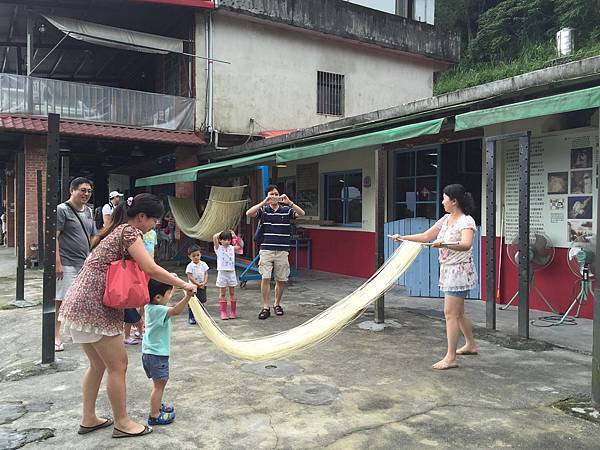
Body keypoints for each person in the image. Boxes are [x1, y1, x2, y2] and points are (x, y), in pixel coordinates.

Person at [58, 193, 196, 438]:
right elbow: (150, 268)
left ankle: (89, 418)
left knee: (98, 364)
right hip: (94, 307)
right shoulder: (129, 232)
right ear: (141, 217)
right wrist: (183, 284)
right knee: (118, 365)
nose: (155, 225)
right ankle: (122, 422)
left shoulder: (116, 230)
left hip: (79, 303)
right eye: (154, 220)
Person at [391, 184, 478, 370]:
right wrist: (403, 238)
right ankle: (470, 345)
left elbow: (466, 244)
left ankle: (451, 357)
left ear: (454, 201)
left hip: (460, 272)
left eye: (445, 198)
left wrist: (445, 244)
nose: (442, 201)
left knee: (450, 314)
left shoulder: (466, 221)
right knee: (459, 313)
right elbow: (426, 236)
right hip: (449, 270)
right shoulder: (446, 219)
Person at [246, 185, 305, 320]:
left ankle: (277, 304)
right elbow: (249, 213)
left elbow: (302, 214)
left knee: (280, 279)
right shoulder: (264, 210)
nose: (274, 196)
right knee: (265, 277)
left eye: (276, 194)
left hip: (282, 250)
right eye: (271, 194)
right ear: (267, 196)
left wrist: (289, 202)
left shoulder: (286, 210)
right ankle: (265, 307)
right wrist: (263, 202)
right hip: (266, 249)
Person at [142, 279, 193, 426]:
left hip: (150, 353)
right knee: (159, 385)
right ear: (158, 297)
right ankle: (154, 415)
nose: (171, 295)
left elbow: (167, 297)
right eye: (169, 293)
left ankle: (157, 405)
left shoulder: (149, 306)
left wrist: (174, 284)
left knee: (158, 384)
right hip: (157, 355)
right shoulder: (159, 310)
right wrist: (187, 296)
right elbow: (176, 311)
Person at [55, 177, 97, 352]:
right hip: (66, 262)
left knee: (78, 299)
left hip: (84, 262)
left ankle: (74, 331)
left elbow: (93, 235)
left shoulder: (88, 211)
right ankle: (55, 336)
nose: (86, 194)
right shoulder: (62, 210)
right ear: (71, 190)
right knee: (61, 300)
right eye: (82, 190)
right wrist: (57, 262)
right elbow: (54, 237)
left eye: (88, 191)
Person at [213, 230, 242, 320]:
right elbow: (214, 237)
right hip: (222, 273)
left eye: (228, 239)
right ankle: (223, 312)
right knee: (222, 293)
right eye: (224, 239)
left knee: (232, 292)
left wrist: (234, 236)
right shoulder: (218, 248)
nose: (227, 241)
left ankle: (233, 312)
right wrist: (222, 232)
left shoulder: (232, 248)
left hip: (231, 272)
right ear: (220, 240)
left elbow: (240, 246)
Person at [185, 244, 209, 325]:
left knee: (202, 301)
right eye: (193, 256)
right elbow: (190, 276)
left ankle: (202, 317)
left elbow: (206, 274)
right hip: (193, 287)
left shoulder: (203, 264)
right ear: (190, 257)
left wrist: (204, 282)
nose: (196, 257)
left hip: (202, 286)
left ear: (200, 254)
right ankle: (191, 317)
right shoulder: (190, 266)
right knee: (192, 302)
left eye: (198, 255)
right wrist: (197, 284)